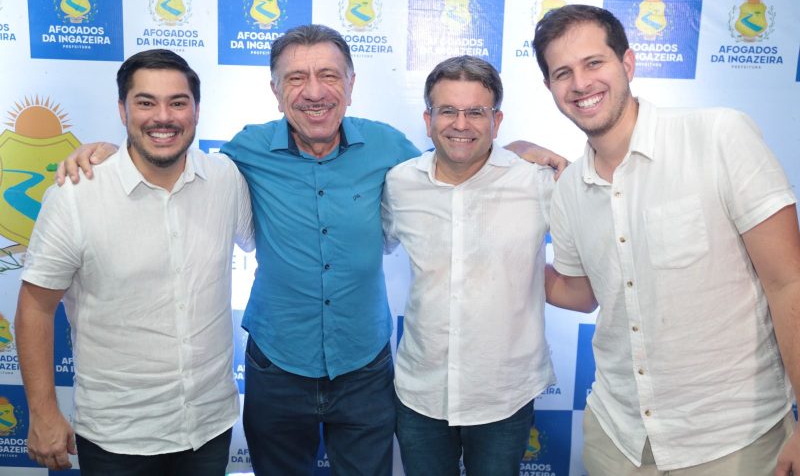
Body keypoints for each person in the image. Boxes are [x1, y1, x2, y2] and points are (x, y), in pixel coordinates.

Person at [56, 24, 568, 475]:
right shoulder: (245, 151)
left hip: (365, 367)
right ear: (275, 91)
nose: (314, 91)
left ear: (351, 85)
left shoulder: (390, 148)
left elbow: (455, 162)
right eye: (296, 78)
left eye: (328, 75)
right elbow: (170, 158)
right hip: (275, 366)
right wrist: (110, 153)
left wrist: (514, 151)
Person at [535, 4, 800, 475]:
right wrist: (506, 263)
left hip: (733, 441)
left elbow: (788, 283)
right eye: (563, 73)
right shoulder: (570, 188)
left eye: (594, 63)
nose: (580, 83)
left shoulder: (719, 135)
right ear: (550, 88)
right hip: (618, 440)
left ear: (628, 63)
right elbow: (581, 293)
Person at [15, 49, 254, 475]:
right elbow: (35, 307)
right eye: (146, 103)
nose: (163, 117)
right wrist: (43, 411)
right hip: (117, 438)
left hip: (208, 427)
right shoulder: (76, 196)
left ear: (197, 111)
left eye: (177, 102)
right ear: (122, 111)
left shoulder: (225, 180)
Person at [383, 55, 584, 475]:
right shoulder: (399, 183)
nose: (461, 124)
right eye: (448, 111)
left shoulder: (538, 182)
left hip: (504, 394)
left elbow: (587, 264)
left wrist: (526, 278)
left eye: (476, 112)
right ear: (428, 119)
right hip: (420, 392)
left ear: (497, 121)